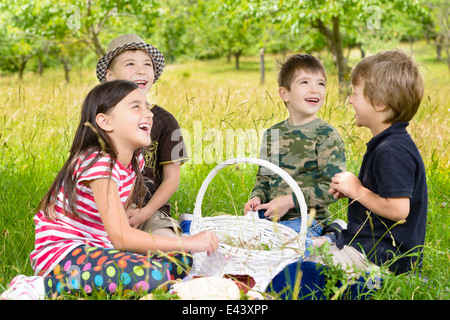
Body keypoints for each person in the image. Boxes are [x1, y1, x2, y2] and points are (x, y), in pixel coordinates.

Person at [1, 80, 218, 300]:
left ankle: (141, 277)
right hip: (64, 255)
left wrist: (181, 248)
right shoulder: (98, 162)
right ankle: (41, 286)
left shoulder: (134, 161)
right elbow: (122, 238)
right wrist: (187, 241)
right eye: (136, 106)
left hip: (99, 251)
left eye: (147, 105)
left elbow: (118, 225)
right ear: (105, 121)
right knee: (156, 273)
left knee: (180, 259)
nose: (149, 113)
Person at [308, 49, 427, 275]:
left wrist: (357, 190)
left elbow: (399, 210)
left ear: (380, 102)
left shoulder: (392, 150)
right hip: (371, 246)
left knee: (303, 269)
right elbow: (384, 196)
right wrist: (354, 192)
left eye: (355, 93)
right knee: (306, 250)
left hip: (383, 258)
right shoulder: (390, 143)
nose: (350, 99)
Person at [244, 54, 346, 239]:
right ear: (284, 94)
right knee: (242, 235)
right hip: (271, 218)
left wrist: (289, 201)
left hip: (308, 220)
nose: (315, 89)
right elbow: (264, 179)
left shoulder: (325, 135)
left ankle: (330, 236)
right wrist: (256, 198)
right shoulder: (272, 135)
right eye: (305, 82)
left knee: (282, 241)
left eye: (321, 84)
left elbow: (333, 189)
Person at [97, 34, 188, 237]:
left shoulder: (165, 121)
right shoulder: (100, 118)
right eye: (130, 64)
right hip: (102, 209)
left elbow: (171, 179)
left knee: (172, 253)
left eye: (147, 64)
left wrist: (143, 213)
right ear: (110, 76)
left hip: (149, 211)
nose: (141, 70)